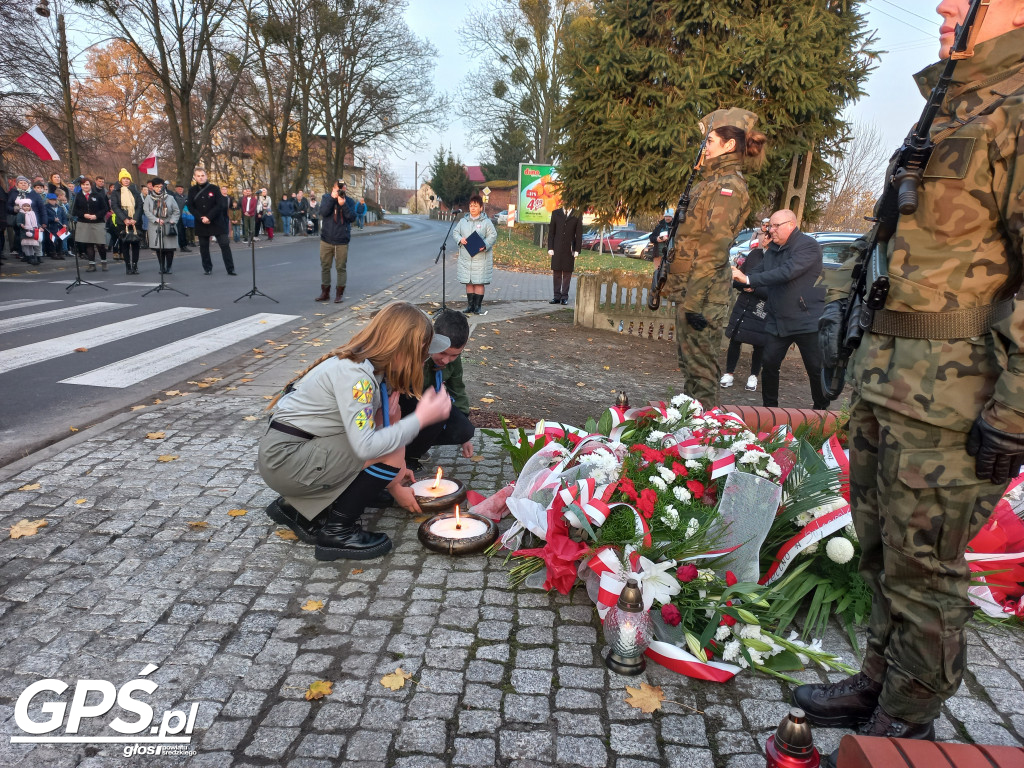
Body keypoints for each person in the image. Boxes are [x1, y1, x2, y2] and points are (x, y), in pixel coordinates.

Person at [790, 3, 1024, 765]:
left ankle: (910, 721)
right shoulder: (953, 101)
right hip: (890, 383)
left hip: (954, 400)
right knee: (880, 550)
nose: (944, 5)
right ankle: (879, 683)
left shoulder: (1018, 104)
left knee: (927, 567)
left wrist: (1016, 412)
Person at [258, 301, 454, 561]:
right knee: (388, 454)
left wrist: (394, 477)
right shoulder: (358, 377)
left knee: (392, 453)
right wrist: (420, 418)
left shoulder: (368, 366)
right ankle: (338, 532)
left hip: (291, 454)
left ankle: (294, 508)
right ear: (403, 347)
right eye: (423, 353)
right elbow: (367, 447)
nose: (424, 360)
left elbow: (381, 427)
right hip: (286, 461)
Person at [655, 107, 766, 408]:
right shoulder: (709, 183)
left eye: (711, 140)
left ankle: (705, 444)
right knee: (690, 369)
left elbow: (713, 248)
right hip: (693, 291)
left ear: (730, 145)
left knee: (702, 375)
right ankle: (691, 433)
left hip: (702, 297)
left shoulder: (727, 186)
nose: (705, 146)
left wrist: (692, 302)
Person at [731, 209, 829, 410]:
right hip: (778, 318)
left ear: (791, 224)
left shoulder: (808, 247)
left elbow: (786, 272)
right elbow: (756, 272)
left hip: (806, 319)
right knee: (769, 364)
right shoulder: (773, 249)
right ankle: (770, 411)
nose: (770, 230)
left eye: (776, 226)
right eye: (769, 226)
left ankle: (821, 412)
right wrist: (736, 277)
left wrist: (750, 280)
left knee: (815, 369)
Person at [398, 309, 476, 472]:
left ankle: (416, 447)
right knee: (436, 415)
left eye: (454, 355)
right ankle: (406, 454)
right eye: (442, 352)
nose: (446, 360)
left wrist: (465, 437)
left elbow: (458, 389)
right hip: (405, 400)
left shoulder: (452, 360)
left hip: (428, 399)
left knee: (464, 430)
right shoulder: (414, 351)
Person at [721, 219, 771, 391]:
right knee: (735, 338)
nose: (764, 240)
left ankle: (753, 376)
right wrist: (744, 284)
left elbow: (775, 289)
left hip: (761, 307)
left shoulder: (779, 261)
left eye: (768, 237)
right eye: (764, 237)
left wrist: (754, 288)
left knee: (759, 343)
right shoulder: (754, 255)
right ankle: (729, 373)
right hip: (743, 304)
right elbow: (738, 278)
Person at [453, 194, 497, 315]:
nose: (472, 208)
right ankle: (470, 306)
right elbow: (455, 232)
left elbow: (493, 235)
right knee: (469, 282)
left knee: (478, 281)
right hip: (466, 258)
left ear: (481, 208)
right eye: (471, 206)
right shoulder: (463, 221)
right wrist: (460, 239)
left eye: (475, 206)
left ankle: (477, 306)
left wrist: (485, 245)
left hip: (481, 258)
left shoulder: (486, 222)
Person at [188, 168, 236, 275]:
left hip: (216, 221)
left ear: (206, 176)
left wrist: (209, 217)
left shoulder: (214, 188)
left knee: (224, 244)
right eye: (198, 176)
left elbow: (220, 205)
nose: (201, 177)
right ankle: (207, 268)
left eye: (202, 175)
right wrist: (201, 218)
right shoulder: (192, 190)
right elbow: (191, 207)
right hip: (201, 222)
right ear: (195, 177)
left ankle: (230, 268)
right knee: (204, 247)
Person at [317, 180, 356, 303]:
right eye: (338, 188)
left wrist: (343, 204)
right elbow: (323, 212)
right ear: (333, 188)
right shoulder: (326, 198)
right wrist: (332, 199)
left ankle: (339, 294)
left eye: (343, 188)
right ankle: (325, 292)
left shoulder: (349, 201)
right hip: (326, 238)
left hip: (341, 240)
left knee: (341, 268)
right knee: (325, 266)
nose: (340, 190)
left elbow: (352, 218)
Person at [110, 169, 144, 275]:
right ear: (120, 180)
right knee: (124, 244)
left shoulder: (135, 191)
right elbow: (115, 206)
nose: (126, 180)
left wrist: (135, 219)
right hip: (122, 222)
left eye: (128, 179)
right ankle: (127, 266)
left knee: (135, 244)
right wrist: (125, 219)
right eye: (124, 178)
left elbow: (139, 206)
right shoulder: (116, 192)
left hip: (135, 222)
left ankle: (135, 265)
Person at [547, 203, 582, 305]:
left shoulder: (577, 214)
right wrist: (550, 247)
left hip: (569, 248)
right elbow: (551, 232)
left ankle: (564, 297)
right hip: (557, 247)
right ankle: (556, 296)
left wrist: (577, 250)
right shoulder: (556, 213)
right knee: (557, 272)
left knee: (567, 273)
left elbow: (579, 234)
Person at [143, 177, 180, 274]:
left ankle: (169, 266)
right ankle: (161, 266)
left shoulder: (170, 198)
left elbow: (176, 211)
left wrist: (173, 220)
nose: (159, 188)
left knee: (169, 248)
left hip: (168, 224)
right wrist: (156, 219)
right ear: (153, 187)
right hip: (156, 226)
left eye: (161, 186)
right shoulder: (148, 198)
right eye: (157, 187)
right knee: (159, 248)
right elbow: (147, 211)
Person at [71, 177, 109, 272]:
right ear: (80, 186)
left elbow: (105, 209)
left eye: (87, 184)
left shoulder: (98, 195)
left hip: (97, 222)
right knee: (89, 244)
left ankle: (104, 261)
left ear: (90, 185)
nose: (85, 186)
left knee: (100, 244)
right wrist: (84, 215)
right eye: (83, 185)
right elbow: (74, 210)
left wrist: (96, 216)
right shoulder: (77, 196)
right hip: (84, 222)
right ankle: (91, 264)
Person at [16, 198, 42, 265]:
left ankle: (32, 256)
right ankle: (28, 256)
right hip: (24, 232)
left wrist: (39, 227)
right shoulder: (21, 214)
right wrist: (21, 224)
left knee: (31, 245)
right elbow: (18, 221)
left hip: (32, 231)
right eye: (24, 206)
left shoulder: (32, 213)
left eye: (28, 206)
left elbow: (35, 222)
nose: (26, 207)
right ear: (21, 206)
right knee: (26, 245)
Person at [43, 192, 67, 260]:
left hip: (60, 227)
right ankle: (53, 253)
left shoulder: (60, 208)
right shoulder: (45, 207)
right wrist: (53, 219)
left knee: (60, 240)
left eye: (54, 200)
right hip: (51, 227)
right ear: (48, 200)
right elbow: (45, 217)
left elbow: (64, 217)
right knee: (52, 240)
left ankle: (60, 253)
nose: (53, 201)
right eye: (51, 200)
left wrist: (65, 224)